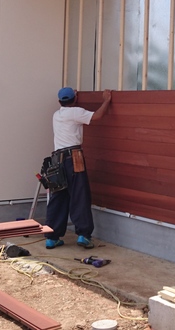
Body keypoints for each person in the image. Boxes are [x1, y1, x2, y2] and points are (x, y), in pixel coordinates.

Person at [45, 87, 112, 249]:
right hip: (74, 158)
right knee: (79, 196)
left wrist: (72, 97)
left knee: (58, 197)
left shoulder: (57, 115)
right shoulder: (76, 112)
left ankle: (52, 237)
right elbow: (97, 116)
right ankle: (83, 235)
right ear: (74, 99)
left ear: (59, 101)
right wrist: (106, 100)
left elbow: (69, 105)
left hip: (57, 161)